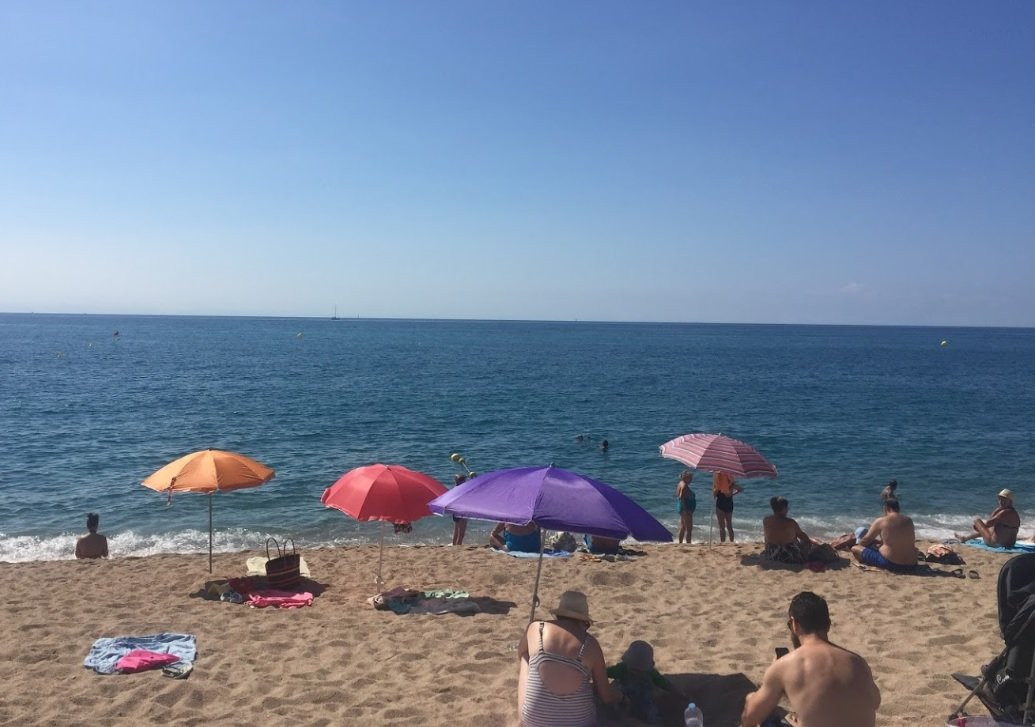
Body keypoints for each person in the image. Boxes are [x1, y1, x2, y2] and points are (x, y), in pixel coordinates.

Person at [742, 591, 881, 727]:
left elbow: (750, 718)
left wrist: (768, 686)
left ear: (794, 624)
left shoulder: (785, 666)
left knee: (756, 707)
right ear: (828, 625)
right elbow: (875, 702)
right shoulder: (858, 662)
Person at [518, 590, 620, 726]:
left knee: (525, 656)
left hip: (534, 721)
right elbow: (606, 696)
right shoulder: (590, 643)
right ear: (584, 622)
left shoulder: (537, 627)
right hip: (580, 723)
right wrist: (620, 696)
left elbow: (520, 652)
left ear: (559, 615)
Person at [606, 640, 682, 724]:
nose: (636, 672)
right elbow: (603, 673)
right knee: (619, 714)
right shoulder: (621, 669)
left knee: (653, 716)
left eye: (639, 670)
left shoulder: (651, 673)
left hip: (646, 704)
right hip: (624, 701)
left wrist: (679, 694)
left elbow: (665, 684)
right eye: (633, 669)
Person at [850, 498, 917, 573]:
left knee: (855, 549)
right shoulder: (909, 520)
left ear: (886, 508)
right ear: (898, 508)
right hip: (912, 564)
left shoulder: (882, 521)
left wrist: (859, 545)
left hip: (891, 563)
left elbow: (866, 540)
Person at [956, 488, 1020, 547]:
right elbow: (990, 524)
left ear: (1010, 501)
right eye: (1000, 499)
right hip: (1010, 545)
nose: (1000, 502)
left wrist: (977, 527)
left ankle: (964, 539)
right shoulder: (1015, 513)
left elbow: (987, 524)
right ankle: (965, 538)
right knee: (991, 529)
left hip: (995, 544)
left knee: (977, 521)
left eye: (1004, 500)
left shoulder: (1004, 512)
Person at [762, 497, 814, 564]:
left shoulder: (766, 520)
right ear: (784, 508)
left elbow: (766, 537)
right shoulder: (790, 522)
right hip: (788, 555)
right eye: (787, 507)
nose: (788, 509)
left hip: (772, 553)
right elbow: (802, 536)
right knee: (804, 541)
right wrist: (809, 542)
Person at [712, 471, 743, 543]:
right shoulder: (729, 484)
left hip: (722, 504)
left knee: (724, 526)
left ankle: (726, 542)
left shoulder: (722, 484)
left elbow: (714, 496)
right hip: (726, 504)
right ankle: (729, 542)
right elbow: (740, 489)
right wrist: (732, 494)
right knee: (727, 525)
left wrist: (717, 489)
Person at [676, 470, 696, 544]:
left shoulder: (681, 483)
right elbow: (681, 497)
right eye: (690, 478)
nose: (691, 480)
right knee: (689, 528)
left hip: (682, 507)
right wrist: (686, 509)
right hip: (685, 508)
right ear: (686, 478)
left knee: (683, 527)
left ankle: (680, 543)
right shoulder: (684, 485)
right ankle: (688, 544)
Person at [451, 474, 469, 546]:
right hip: (462, 512)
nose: (465, 482)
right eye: (464, 480)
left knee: (456, 532)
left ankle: (454, 545)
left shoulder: (455, 488)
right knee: (461, 534)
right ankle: (458, 548)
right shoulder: (463, 489)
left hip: (455, 513)